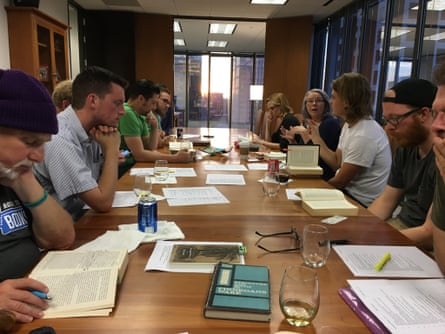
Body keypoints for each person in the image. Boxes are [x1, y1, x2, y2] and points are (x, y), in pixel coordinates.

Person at [0, 69, 75, 323]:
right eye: (30, 141)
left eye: (43, 143)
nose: (40, 156)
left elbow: (62, 238)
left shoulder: (11, 175)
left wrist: (24, 177)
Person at [34, 66, 128, 221]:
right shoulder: (59, 138)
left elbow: (100, 188)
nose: (123, 111)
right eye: (117, 103)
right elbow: (102, 203)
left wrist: (107, 157)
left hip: (83, 219)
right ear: (93, 100)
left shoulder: (94, 131)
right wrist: (111, 151)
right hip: (61, 233)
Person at [309, 73, 392, 207]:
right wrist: (316, 139)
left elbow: (341, 181)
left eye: (334, 97)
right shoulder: (349, 125)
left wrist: (311, 192)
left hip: (360, 203)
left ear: (347, 101)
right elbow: (336, 162)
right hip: (346, 194)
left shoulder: (365, 134)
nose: (330, 101)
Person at [367, 79, 437, 230]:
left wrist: (378, 240)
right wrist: (360, 229)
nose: (388, 128)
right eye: (386, 120)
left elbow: (430, 233)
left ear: (423, 114)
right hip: (402, 227)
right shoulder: (406, 148)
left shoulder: (440, 157)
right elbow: (387, 201)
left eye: (395, 119)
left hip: (425, 241)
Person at [119, 79, 192, 174]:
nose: (154, 108)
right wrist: (175, 158)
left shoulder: (140, 114)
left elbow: (151, 148)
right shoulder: (128, 113)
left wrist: (154, 126)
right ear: (141, 99)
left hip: (136, 164)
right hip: (125, 167)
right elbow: (139, 155)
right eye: (153, 103)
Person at [281, 89, 341, 180]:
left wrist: (304, 134)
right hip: (307, 172)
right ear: (305, 105)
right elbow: (304, 154)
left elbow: (317, 158)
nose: (314, 103)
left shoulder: (330, 123)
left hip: (322, 176)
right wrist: (293, 141)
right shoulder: (309, 123)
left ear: (325, 105)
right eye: (310, 101)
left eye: (318, 100)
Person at [154, 84, 173, 148]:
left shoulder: (157, 116)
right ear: (155, 99)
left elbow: (160, 137)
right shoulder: (147, 115)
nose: (167, 106)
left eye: (168, 103)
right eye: (164, 101)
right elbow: (159, 143)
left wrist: (162, 134)